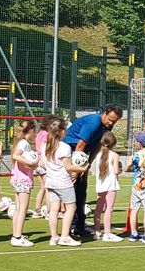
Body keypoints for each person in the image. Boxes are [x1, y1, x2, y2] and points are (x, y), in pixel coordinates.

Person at [63, 105, 122, 238]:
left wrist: (88, 165)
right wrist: (76, 170)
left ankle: (79, 226)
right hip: (72, 151)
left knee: (81, 191)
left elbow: (97, 146)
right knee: (73, 190)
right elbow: (80, 145)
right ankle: (71, 226)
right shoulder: (93, 123)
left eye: (114, 121)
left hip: (83, 155)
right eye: (110, 119)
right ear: (105, 113)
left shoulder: (106, 126)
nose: (111, 123)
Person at [40, 116, 82, 246]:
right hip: (63, 182)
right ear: (62, 131)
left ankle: (54, 237)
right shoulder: (64, 147)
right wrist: (83, 168)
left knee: (53, 209)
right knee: (71, 208)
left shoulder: (45, 146)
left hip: (51, 181)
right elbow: (68, 167)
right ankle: (65, 237)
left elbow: (42, 164)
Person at [7, 119, 41, 248]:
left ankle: (16, 234)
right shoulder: (24, 143)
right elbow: (16, 156)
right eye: (35, 133)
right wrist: (31, 163)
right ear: (31, 131)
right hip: (23, 179)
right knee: (22, 209)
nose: (36, 135)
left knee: (18, 208)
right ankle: (17, 237)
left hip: (18, 178)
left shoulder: (21, 142)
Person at [91, 131, 123, 242]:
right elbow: (116, 171)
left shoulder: (98, 155)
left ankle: (97, 231)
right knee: (109, 208)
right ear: (114, 143)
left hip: (101, 184)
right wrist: (120, 170)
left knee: (98, 209)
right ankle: (107, 233)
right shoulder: (114, 155)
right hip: (111, 185)